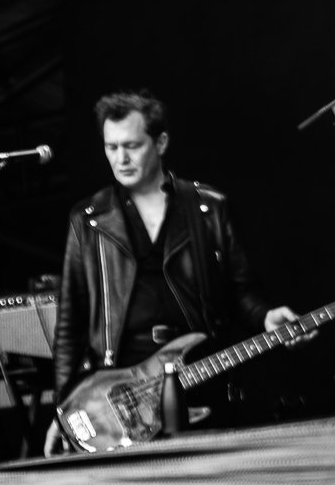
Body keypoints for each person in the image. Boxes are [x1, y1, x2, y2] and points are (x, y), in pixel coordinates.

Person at [46, 91, 299, 452]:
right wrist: (63, 411)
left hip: (200, 373)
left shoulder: (207, 208)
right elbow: (69, 325)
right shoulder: (88, 220)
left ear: (161, 142)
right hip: (121, 393)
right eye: (111, 147)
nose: (121, 158)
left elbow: (241, 292)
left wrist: (266, 316)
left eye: (132, 146)